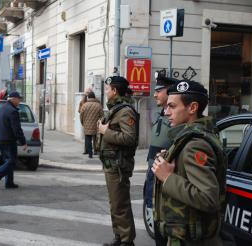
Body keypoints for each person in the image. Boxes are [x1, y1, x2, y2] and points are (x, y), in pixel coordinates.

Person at [151, 80, 227, 246]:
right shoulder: (189, 138)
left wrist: (168, 177)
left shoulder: (196, 144)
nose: (166, 112)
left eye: (172, 106)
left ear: (192, 108)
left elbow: (208, 198)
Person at [97, 76, 138, 246]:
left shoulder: (125, 111)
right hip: (111, 164)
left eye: (107, 89)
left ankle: (127, 241)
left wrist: (105, 131)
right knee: (115, 203)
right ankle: (119, 237)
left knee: (120, 204)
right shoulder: (116, 109)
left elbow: (130, 138)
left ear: (114, 91)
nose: (106, 92)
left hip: (118, 165)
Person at [144, 73, 178, 243]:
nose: (155, 94)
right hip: (153, 174)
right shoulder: (162, 114)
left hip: (165, 181)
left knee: (163, 232)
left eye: (159, 90)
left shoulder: (178, 120)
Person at [0, 91, 28, 189]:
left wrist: (1, 131)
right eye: (19, 99)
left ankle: (9, 183)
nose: (19, 101)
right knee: (12, 161)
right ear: (13, 99)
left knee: (7, 161)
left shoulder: (1, 109)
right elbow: (17, 129)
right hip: (9, 140)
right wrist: (23, 142)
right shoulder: (13, 111)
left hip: (0, 139)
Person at [80, 91, 103, 158]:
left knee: (88, 139)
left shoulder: (84, 105)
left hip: (87, 125)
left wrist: (83, 123)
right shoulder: (98, 105)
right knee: (95, 138)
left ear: (88, 97)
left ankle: (90, 154)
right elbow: (102, 116)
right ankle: (95, 151)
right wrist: (100, 123)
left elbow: (81, 115)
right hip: (96, 125)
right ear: (94, 97)